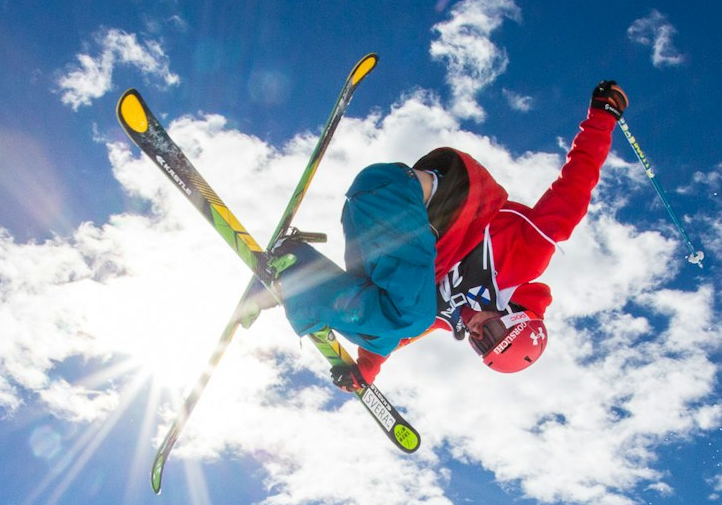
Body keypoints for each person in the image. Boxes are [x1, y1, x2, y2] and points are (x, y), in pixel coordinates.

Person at [267, 81, 632, 389]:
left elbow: (396, 336)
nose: (475, 335)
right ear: (514, 319)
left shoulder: (446, 315)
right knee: (411, 316)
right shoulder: (526, 256)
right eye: (488, 336)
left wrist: (365, 369)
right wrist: (602, 119)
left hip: (369, 221)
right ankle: (303, 289)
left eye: (478, 346)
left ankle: (297, 267)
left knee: (386, 327)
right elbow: (573, 193)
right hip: (404, 194)